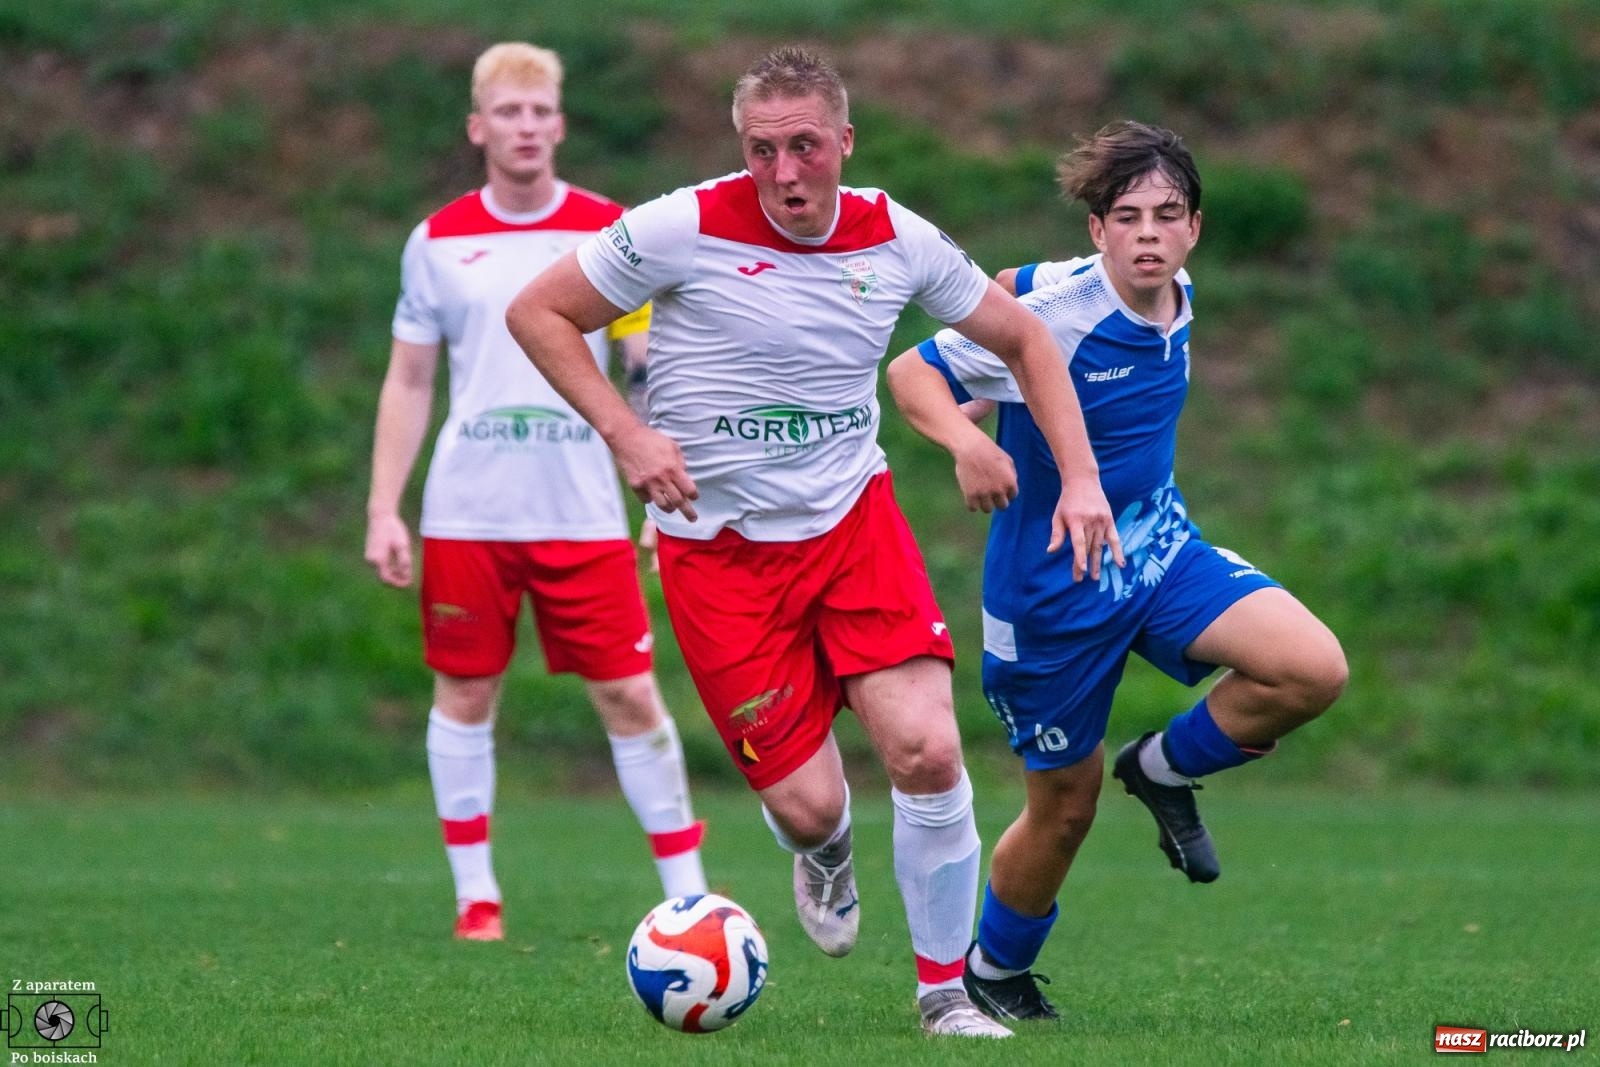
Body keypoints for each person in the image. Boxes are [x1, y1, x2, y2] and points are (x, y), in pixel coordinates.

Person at [504, 46, 1121, 1038]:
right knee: (803, 804)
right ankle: (825, 846)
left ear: (844, 142)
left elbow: (1025, 340)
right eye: (761, 150)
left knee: (924, 748)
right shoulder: (682, 225)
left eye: (803, 147)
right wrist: (625, 431)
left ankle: (944, 994)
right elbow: (537, 311)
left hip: (849, 524)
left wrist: (1081, 480)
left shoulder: (895, 236)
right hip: (715, 551)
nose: (784, 172)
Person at [887, 120, 1349, 1021]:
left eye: (1166, 215)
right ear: (1096, 229)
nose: (1148, 233)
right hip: (1051, 596)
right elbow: (912, 372)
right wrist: (964, 443)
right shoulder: (1049, 309)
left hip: (1160, 553)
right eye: (1127, 215)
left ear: (1194, 230)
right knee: (1064, 808)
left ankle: (1167, 768)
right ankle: (995, 971)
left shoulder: (1180, 293)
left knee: (1311, 668)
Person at [364, 42, 707, 943]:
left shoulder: (608, 231)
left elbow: (647, 364)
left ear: (559, 124)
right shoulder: (435, 241)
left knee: (631, 693)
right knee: (465, 692)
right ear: (479, 128)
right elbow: (407, 381)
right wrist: (381, 508)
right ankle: (476, 897)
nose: (525, 127)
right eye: (507, 113)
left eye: (539, 112)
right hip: (467, 509)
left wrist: (657, 484)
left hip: (581, 508)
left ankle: (691, 899)